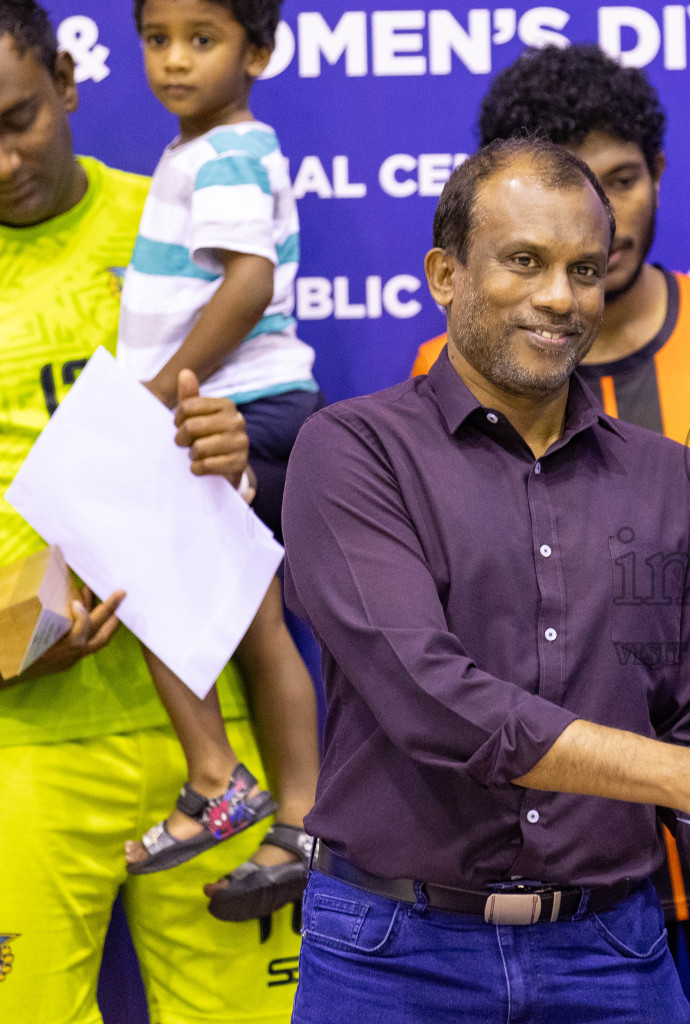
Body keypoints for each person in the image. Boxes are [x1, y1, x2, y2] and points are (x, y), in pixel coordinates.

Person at [283, 137, 690, 1023]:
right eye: (525, 262)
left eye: (584, 269)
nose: (561, 297)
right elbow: (427, 696)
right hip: (392, 955)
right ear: (446, 275)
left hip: (611, 955)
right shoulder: (354, 450)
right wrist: (689, 778)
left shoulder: (670, 478)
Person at [0, 2, 301, 1019]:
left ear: (69, 84)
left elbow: (284, 411)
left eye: (18, 119)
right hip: (27, 743)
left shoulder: (177, 210)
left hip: (217, 739)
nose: (1, 160)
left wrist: (235, 447)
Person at [113, 0, 320, 924]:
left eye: (202, 40)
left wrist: (161, 390)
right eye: (157, 40)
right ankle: (284, 809)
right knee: (250, 615)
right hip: (230, 403)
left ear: (259, 52)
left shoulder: (229, 150)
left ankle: (229, 781)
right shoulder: (204, 149)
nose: (173, 62)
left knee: (204, 601)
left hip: (234, 407)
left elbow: (249, 280)